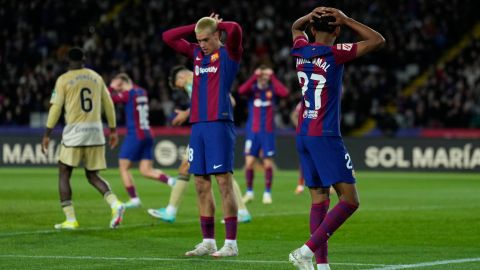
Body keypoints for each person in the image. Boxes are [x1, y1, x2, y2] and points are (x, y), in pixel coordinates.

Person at [288, 7, 385, 270]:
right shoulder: (335, 53)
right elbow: (377, 40)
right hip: (325, 135)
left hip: (304, 132)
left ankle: (322, 266)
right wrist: (348, 19)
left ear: (312, 29)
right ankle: (305, 252)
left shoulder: (301, 50)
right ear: (337, 30)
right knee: (350, 200)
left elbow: (295, 28)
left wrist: (308, 16)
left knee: (320, 200)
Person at [162, 13, 243, 257]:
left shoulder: (229, 55)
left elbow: (236, 28)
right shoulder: (197, 54)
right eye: (199, 40)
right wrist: (199, 25)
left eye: (206, 40)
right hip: (198, 126)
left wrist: (217, 24)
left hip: (219, 124)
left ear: (218, 35)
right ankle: (208, 241)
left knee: (223, 183)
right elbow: (168, 37)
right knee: (199, 183)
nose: (202, 45)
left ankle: (231, 243)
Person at [147, 66, 252, 224]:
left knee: (222, 174)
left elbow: (223, 101)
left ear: (182, 78)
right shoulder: (207, 77)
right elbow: (229, 100)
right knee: (189, 167)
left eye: (179, 85)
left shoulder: (193, 80)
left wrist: (187, 113)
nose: (182, 88)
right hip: (209, 129)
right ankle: (170, 211)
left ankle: (171, 211)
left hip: (210, 129)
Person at [41, 47, 125, 230]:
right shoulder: (96, 77)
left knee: (64, 171)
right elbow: (109, 104)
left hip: (75, 132)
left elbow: (55, 108)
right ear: (84, 59)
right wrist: (112, 130)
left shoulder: (63, 79)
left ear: (68, 61)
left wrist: (47, 134)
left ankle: (71, 219)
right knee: (92, 174)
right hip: (96, 130)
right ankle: (115, 204)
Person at [108, 73, 175, 208]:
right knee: (145, 170)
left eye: (119, 86)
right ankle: (172, 181)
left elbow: (108, 100)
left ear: (122, 82)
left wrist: (111, 88)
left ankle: (134, 199)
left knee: (123, 167)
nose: (118, 90)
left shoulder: (129, 94)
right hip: (148, 134)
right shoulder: (142, 91)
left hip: (135, 134)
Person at [239, 65, 289, 204]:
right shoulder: (252, 90)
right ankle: (249, 192)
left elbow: (284, 93)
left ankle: (267, 193)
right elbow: (241, 90)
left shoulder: (272, 90)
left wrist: (272, 77)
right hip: (252, 132)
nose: (263, 78)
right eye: (262, 75)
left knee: (268, 163)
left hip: (267, 133)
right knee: (249, 163)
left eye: (265, 75)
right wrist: (254, 76)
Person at [290, 101, 305, 195]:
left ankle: (329, 184)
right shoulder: (303, 102)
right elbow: (293, 115)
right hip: (304, 135)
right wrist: (299, 126)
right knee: (303, 159)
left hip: (318, 134)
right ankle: (300, 185)